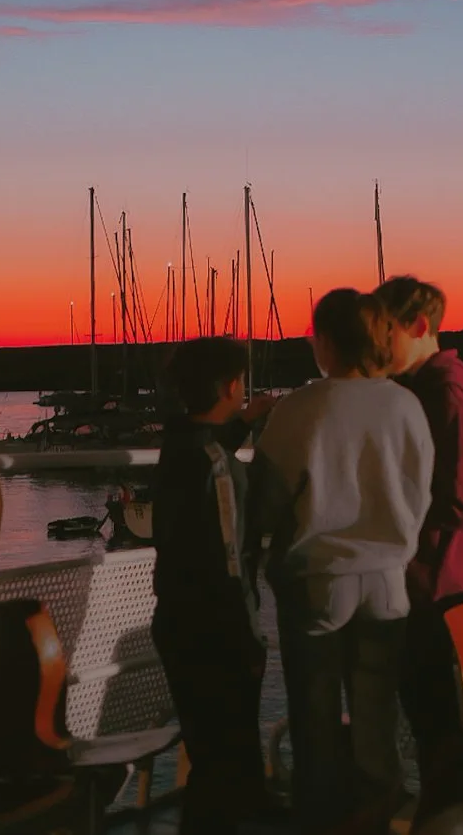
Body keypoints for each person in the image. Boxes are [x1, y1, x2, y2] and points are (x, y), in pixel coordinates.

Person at [249, 289, 434, 835]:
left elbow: (264, 502)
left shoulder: (303, 408)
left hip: (319, 580)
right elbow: (421, 492)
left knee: (317, 720)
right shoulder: (405, 405)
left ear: (326, 340)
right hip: (388, 580)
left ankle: (323, 822)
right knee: (376, 720)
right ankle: (375, 818)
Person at [150, 336, 278, 835]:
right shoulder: (214, 467)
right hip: (217, 630)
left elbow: (209, 448)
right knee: (223, 760)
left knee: (211, 749)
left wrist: (243, 421)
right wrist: (245, 636)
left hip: (179, 622)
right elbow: (225, 560)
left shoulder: (179, 445)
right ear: (230, 386)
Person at [375, 278, 463, 827]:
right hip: (425, 577)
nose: (377, 344)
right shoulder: (426, 387)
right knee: (429, 713)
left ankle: (447, 818)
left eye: (385, 331)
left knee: (434, 715)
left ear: (418, 328)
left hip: (426, 582)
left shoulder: (442, 391)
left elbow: (457, 501)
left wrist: (395, 531)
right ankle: (446, 816)